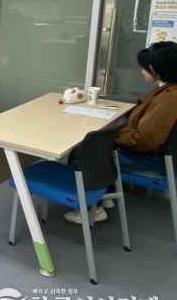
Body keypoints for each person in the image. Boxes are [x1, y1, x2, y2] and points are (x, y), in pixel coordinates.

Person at [65, 41, 177, 224]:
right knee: (97, 146)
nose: (142, 71)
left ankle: (92, 209)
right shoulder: (168, 90)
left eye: (146, 67)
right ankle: (105, 194)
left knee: (83, 154)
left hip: (155, 162)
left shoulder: (167, 101)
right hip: (158, 155)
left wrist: (113, 135)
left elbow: (143, 141)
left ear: (160, 68)